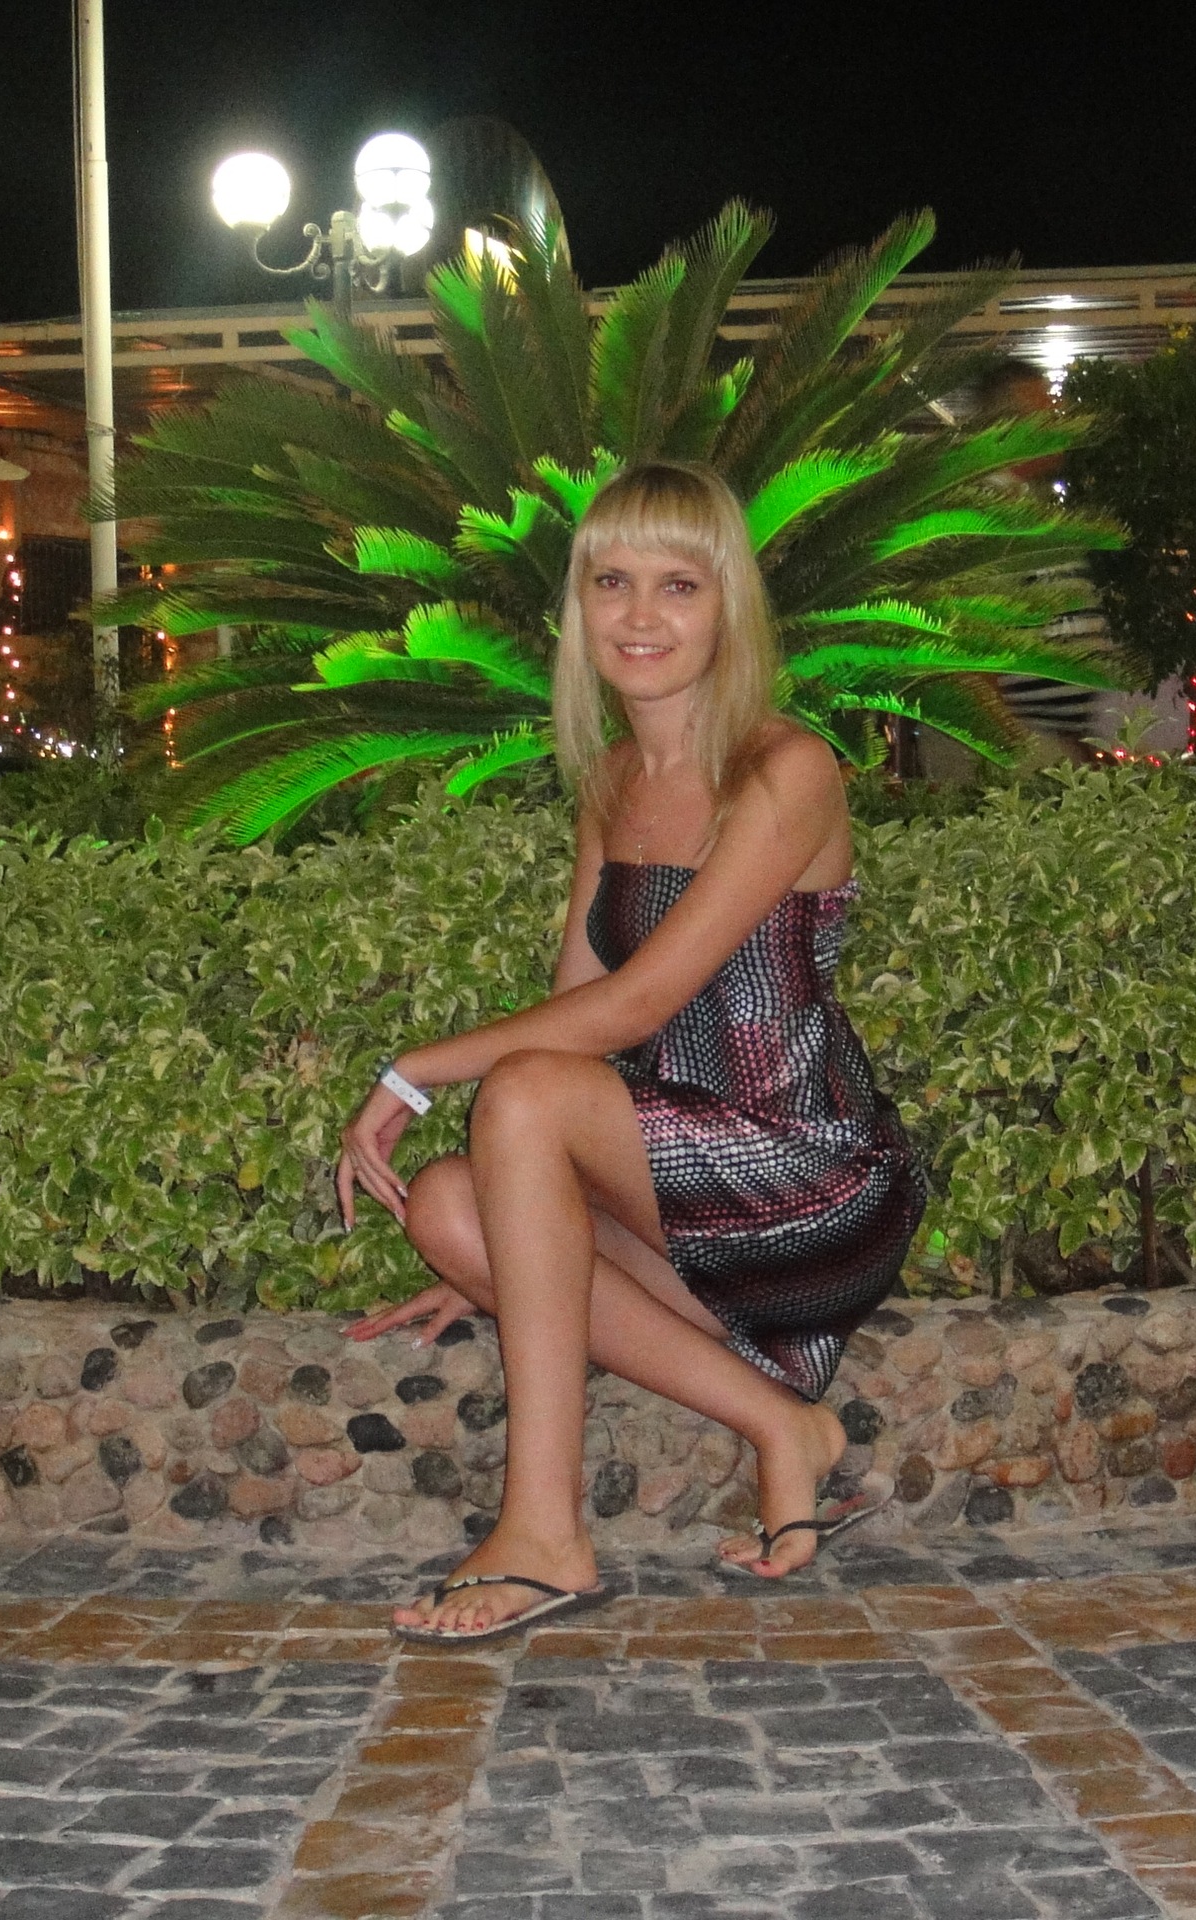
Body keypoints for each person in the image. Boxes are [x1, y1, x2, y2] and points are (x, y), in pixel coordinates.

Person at [336, 462, 928, 1646]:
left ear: (727, 606)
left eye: (677, 585)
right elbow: (579, 1002)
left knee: (519, 1098)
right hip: (680, 1188)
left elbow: (637, 1004)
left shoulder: (786, 769)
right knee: (448, 1206)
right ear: (579, 606)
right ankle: (786, 1427)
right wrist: (515, 1239)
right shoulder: (612, 781)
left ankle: (543, 1533)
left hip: (809, 1180)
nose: (639, 616)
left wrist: (415, 1068)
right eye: (611, 583)